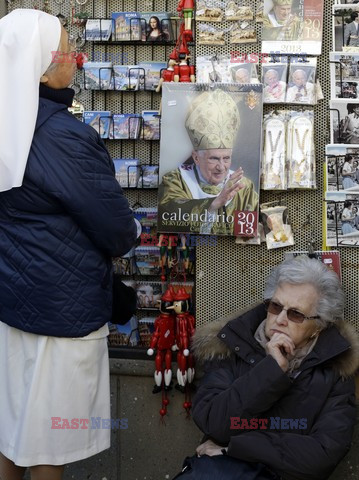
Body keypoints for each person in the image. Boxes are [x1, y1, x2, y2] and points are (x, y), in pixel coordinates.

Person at [0, 9, 137, 480]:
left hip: (13, 303)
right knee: (49, 445)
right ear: (41, 65)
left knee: (13, 428)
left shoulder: (10, 126)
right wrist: (134, 233)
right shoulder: (62, 137)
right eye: (64, 49)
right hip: (62, 310)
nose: (75, 57)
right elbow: (118, 230)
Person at [191, 256, 359, 480]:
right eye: (275, 306)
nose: (280, 319)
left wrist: (234, 448)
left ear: (318, 327)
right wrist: (270, 371)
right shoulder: (232, 345)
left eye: (295, 314)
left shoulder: (336, 368)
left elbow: (323, 454)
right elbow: (215, 424)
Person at [158, 89, 258, 235]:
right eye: (214, 158)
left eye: (226, 158)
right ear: (196, 158)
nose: (221, 167)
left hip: (229, 251)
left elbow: (247, 232)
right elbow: (168, 213)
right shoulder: (175, 180)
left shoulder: (244, 187)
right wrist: (214, 203)